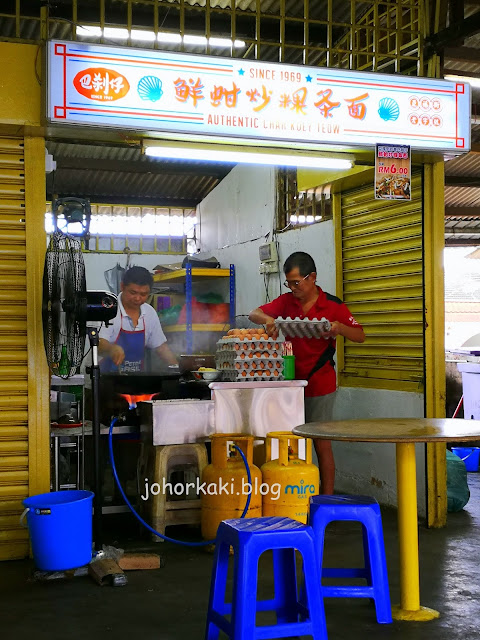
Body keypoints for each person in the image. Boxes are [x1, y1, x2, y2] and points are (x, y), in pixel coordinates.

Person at [249, 251, 365, 494]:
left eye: (296, 282)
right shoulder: (287, 301)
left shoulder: (333, 306)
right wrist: (268, 320)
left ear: (312, 277)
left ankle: (327, 497)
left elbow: (360, 335)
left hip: (320, 381)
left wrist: (339, 327)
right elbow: (254, 313)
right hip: (290, 382)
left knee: (321, 441)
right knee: (291, 440)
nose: (292, 288)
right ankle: (296, 491)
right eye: (288, 283)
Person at [99, 266, 178, 372]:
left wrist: (176, 368)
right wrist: (112, 349)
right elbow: (99, 344)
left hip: (135, 380)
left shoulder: (149, 313)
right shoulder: (109, 310)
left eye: (143, 294)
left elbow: (161, 347)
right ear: (122, 286)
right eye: (133, 292)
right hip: (104, 379)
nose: (137, 298)